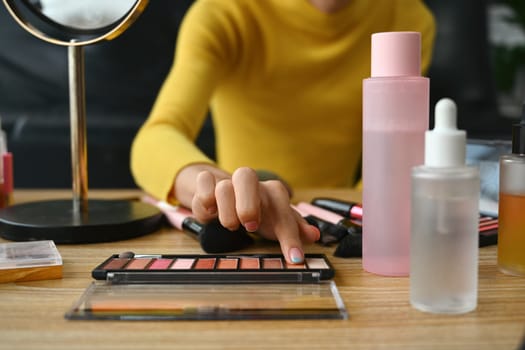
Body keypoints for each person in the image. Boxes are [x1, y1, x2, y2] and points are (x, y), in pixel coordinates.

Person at [131, 0, 435, 264]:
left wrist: (370, 213)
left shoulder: (409, 16)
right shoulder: (225, 12)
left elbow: (394, 145)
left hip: (333, 229)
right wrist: (224, 191)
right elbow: (157, 135)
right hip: (250, 230)